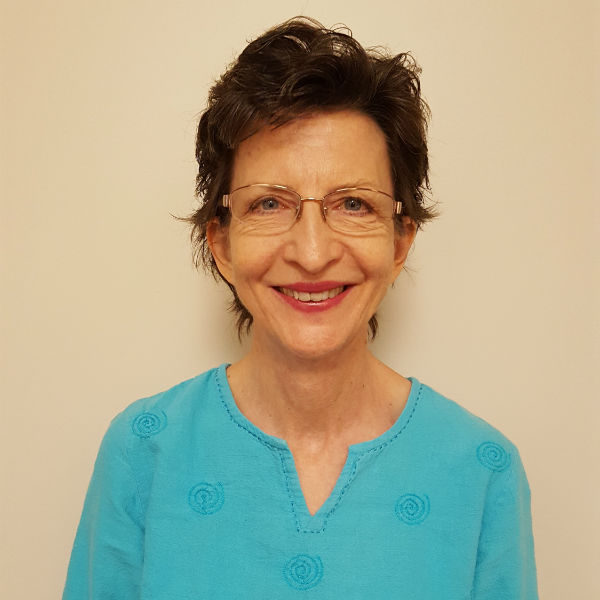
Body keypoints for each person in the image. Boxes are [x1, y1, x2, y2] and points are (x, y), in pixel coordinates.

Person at [63, 17, 538, 599]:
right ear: (221, 242)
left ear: (400, 240)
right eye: (268, 203)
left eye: (354, 204)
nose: (312, 253)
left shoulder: (483, 470)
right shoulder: (142, 451)